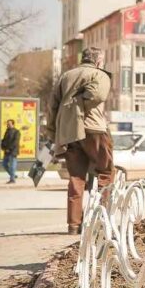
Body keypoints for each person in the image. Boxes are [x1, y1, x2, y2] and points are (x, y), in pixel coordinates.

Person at [44, 47, 114, 234]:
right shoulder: (99, 74)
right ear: (98, 61)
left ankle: (74, 225)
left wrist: (52, 132)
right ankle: (101, 219)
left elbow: (52, 106)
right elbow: (98, 95)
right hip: (94, 130)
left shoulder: (66, 76)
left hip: (69, 133)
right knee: (106, 173)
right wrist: (80, 102)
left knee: (76, 179)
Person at [0, 119, 21, 184]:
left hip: (13, 151)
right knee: (4, 164)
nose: (8, 125)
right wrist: (2, 146)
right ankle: (13, 175)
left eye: (9, 124)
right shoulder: (7, 131)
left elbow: (15, 142)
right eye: (7, 123)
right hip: (6, 151)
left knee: (12, 166)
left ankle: (12, 179)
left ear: (13, 124)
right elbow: (4, 140)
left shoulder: (16, 132)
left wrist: (9, 149)